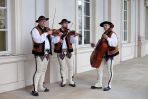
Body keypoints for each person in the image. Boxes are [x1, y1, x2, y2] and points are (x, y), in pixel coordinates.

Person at [91, 21, 119, 91]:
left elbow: (114, 43)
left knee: (109, 70)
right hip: (102, 55)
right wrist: (95, 45)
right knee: (99, 69)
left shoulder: (112, 34)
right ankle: (99, 84)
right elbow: (101, 45)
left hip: (110, 55)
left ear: (109, 26)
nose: (105, 27)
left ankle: (109, 85)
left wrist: (107, 38)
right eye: (104, 26)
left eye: (106, 25)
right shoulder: (104, 34)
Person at [31, 16, 53, 96]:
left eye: (45, 21)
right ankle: (35, 89)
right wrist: (47, 33)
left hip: (47, 53)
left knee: (43, 71)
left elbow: (52, 41)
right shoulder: (35, 30)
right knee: (38, 71)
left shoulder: (46, 30)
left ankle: (40, 87)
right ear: (39, 22)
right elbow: (38, 40)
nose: (44, 22)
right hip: (40, 54)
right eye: (42, 21)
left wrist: (57, 36)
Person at [52, 19, 78, 87]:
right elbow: (53, 41)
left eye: (67, 23)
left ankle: (71, 81)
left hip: (68, 51)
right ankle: (63, 81)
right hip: (61, 52)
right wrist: (59, 39)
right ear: (61, 24)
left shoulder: (69, 32)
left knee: (71, 67)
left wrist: (74, 36)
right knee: (63, 67)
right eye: (65, 23)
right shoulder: (57, 31)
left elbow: (73, 41)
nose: (66, 24)